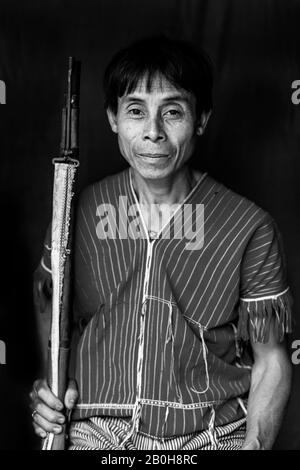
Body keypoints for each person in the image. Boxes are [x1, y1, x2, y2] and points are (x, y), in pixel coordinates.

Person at [30, 36, 293, 450]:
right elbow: (49, 296)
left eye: (173, 112)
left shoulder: (249, 226)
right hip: (98, 431)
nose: (153, 132)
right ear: (113, 118)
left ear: (202, 118)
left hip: (211, 434)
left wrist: (254, 447)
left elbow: (272, 360)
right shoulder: (76, 211)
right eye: (136, 111)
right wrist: (50, 384)